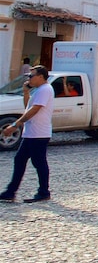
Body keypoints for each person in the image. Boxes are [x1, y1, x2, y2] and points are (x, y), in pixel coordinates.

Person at [1, 65, 55, 203]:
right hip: (31, 132)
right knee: (19, 160)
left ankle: (43, 192)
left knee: (39, 162)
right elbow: (28, 108)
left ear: (41, 77)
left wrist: (15, 125)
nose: (29, 79)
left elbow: (35, 110)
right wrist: (26, 93)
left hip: (39, 133)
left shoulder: (45, 89)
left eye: (31, 76)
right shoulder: (39, 90)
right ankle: (10, 191)